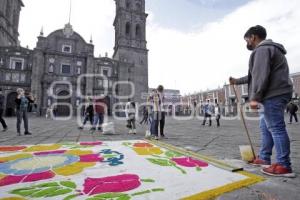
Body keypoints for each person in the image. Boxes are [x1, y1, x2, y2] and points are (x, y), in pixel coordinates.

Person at [229, 25, 295, 177]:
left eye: (246, 39)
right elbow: (253, 76)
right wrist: (236, 81)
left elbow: (260, 75)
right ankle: (264, 158)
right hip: (277, 93)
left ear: (253, 37)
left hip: (272, 95)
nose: (246, 43)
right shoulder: (269, 50)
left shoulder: (262, 50)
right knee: (265, 127)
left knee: (276, 128)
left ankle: (284, 165)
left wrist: (255, 98)